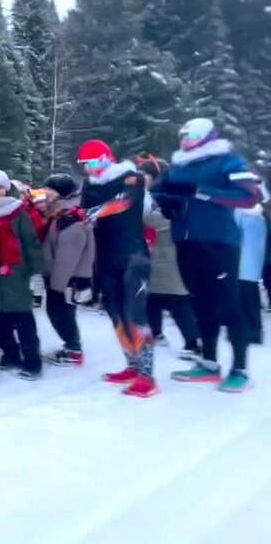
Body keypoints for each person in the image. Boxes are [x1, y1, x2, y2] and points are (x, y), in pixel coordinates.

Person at [153, 118, 263, 393]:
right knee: (200, 304)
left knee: (229, 304)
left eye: (189, 135)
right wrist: (167, 202)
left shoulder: (227, 161)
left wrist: (202, 193)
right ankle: (209, 363)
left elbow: (250, 197)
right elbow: (156, 191)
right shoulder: (177, 165)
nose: (184, 140)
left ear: (205, 136)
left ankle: (240, 369)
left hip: (219, 242)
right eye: (182, 135)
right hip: (186, 242)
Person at [79, 139, 158, 397]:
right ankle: (132, 365)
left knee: (135, 313)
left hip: (133, 256)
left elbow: (124, 201)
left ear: (105, 158)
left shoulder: (131, 177)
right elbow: (83, 211)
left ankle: (147, 375)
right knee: (115, 314)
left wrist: (96, 211)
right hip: (106, 256)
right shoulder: (89, 185)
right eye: (84, 165)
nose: (89, 170)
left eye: (91, 163)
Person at [0, 169, 44, 380]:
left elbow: (31, 245)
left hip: (16, 278)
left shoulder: (18, 213)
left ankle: (32, 364)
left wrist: (36, 275)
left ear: (7, 188)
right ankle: (11, 356)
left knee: (24, 323)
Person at [137, 157, 202, 361]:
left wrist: (141, 205)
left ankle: (193, 342)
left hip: (172, 255)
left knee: (177, 300)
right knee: (152, 297)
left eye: (144, 175)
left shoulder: (170, 196)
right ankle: (156, 333)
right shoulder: (151, 195)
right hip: (155, 255)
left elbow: (160, 220)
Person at [40, 174, 95, 367]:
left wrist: (57, 286)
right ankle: (72, 346)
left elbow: (68, 257)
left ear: (61, 193)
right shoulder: (60, 214)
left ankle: (74, 350)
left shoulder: (71, 218)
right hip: (62, 278)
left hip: (68, 279)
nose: (45, 193)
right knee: (58, 312)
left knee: (62, 312)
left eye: (50, 190)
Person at [236, 202, 267, 345]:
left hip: (240, 262)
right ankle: (255, 330)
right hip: (254, 264)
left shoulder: (239, 215)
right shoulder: (260, 217)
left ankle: (246, 330)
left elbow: (235, 237)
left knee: (242, 299)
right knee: (252, 298)